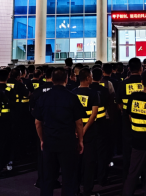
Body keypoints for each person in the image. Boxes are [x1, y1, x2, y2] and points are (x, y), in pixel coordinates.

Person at [34, 67, 84, 196]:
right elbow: (79, 123)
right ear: (66, 79)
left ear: (52, 79)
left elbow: (38, 122)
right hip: (67, 141)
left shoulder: (43, 98)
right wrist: (80, 140)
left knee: (47, 177)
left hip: (49, 140)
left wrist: (42, 139)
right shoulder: (72, 97)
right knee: (68, 177)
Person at [72, 68, 100, 196]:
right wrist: (83, 130)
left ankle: (75, 190)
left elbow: (70, 114)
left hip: (74, 133)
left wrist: (77, 130)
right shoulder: (94, 93)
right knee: (89, 162)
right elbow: (94, 114)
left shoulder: (73, 92)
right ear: (88, 78)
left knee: (76, 163)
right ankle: (87, 191)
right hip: (89, 133)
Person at [116, 58, 144, 181]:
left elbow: (119, 103)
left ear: (128, 69)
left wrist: (125, 112)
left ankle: (128, 176)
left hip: (127, 119)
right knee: (143, 148)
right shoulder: (145, 83)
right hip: (144, 119)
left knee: (128, 148)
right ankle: (143, 175)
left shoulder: (123, 84)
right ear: (141, 69)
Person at [90, 67, 111, 186]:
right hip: (102, 123)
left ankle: (89, 176)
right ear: (101, 77)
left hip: (87, 125)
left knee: (89, 151)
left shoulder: (86, 90)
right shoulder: (104, 90)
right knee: (102, 151)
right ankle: (102, 178)